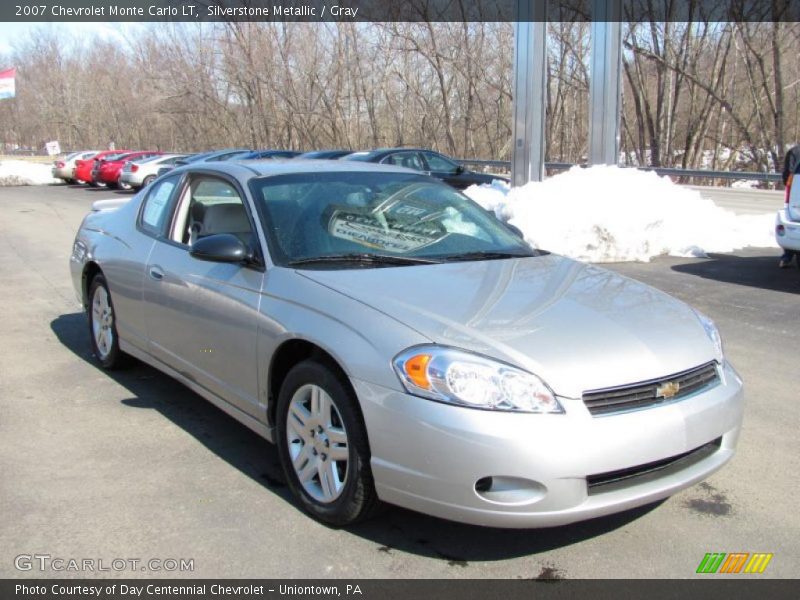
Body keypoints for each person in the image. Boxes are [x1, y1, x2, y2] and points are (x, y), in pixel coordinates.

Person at [779, 143, 800, 268]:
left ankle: (786, 257)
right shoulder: (794, 151)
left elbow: (788, 174)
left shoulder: (794, 151)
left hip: (795, 194)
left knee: (793, 224)